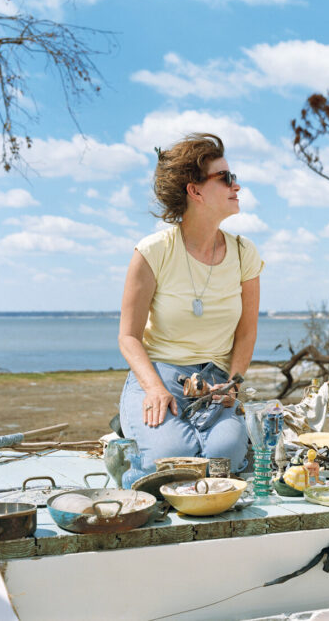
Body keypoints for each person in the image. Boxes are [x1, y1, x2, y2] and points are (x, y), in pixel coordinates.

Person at [117, 133, 264, 471]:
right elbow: (128, 337)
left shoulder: (245, 253)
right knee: (170, 460)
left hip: (216, 381)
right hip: (159, 374)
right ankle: (132, 440)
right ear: (195, 191)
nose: (236, 185)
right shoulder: (152, 252)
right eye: (225, 177)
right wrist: (154, 388)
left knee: (225, 457)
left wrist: (233, 384)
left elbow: (247, 332)